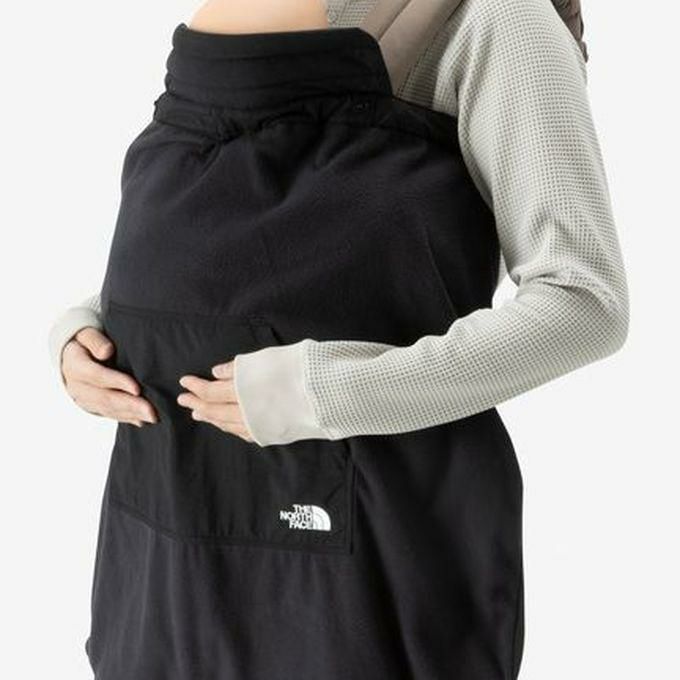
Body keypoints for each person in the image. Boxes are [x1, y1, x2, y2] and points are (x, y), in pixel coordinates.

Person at [48, 1, 629, 678]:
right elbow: (225, 244)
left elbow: (583, 299)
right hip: (166, 556)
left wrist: (325, 392)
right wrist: (91, 330)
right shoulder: (249, 15)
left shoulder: (498, 21)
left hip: (361, 569)